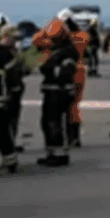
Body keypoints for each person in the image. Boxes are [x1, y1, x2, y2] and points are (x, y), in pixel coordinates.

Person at [34, 19, 78, 167]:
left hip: (59, 92)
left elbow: (64, 72)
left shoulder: (67, 51)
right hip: (53, 91)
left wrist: (49, 68)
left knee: (54, 123)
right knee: (47, 122)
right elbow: (37, 41)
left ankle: (60, 156)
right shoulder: (58, 49)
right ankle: (52, 153)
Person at [0, 26, 24, 173]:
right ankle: (11, 162)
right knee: (2, 132)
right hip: (0, 101)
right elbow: (14, 78)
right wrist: (16, 92)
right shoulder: (4, 53)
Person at [57, 9, 90, 148]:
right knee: (74, 105)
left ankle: (62, 136)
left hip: (64, 72)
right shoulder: (82, 36)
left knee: (58, 106)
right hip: (80, 71)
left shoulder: (61, 38)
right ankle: (74, 137)